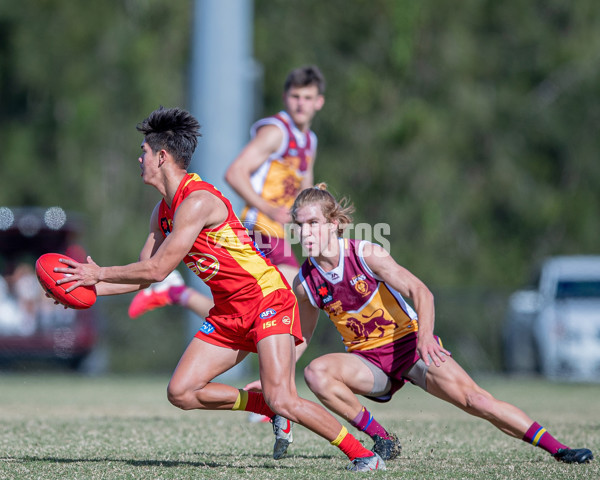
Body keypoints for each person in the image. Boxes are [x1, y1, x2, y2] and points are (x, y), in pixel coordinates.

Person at [54, 107, 385, 472]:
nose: (140, 157)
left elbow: (159, 267)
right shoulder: (161, 212)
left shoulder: (197, 202)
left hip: (267, 300)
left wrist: (97, 272)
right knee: (181, 392)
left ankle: (363, 454)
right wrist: (87, 290)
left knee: (284, 397)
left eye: (144, 152)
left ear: (162, 157)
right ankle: (263, 406)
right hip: (229, 312)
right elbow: (147, 277)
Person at [265, 183, 594, 464]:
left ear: (335, 223)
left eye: (312, 224)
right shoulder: (306, 282)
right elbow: (302, 336)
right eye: (299, 225)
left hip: (410, 346)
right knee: (316, 373)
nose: (304, 233)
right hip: (368, 363)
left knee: (476, 401)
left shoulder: (366, 254)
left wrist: (424, 338)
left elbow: (421, 293)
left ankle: (559, 450)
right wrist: (276, 375)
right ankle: (383, 440)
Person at [126, 65, 325, 322]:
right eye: (296, 97)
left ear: (319, 102)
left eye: (307, 98)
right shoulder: (277, 132)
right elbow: (235, 173)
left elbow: (304, 191)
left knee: (249, 311)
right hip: (261, 228)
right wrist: (269, 209)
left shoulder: (310, 141)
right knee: (304, 290)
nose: (301, 105)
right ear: (285, 98)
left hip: (279, 233)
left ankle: (176, 293)